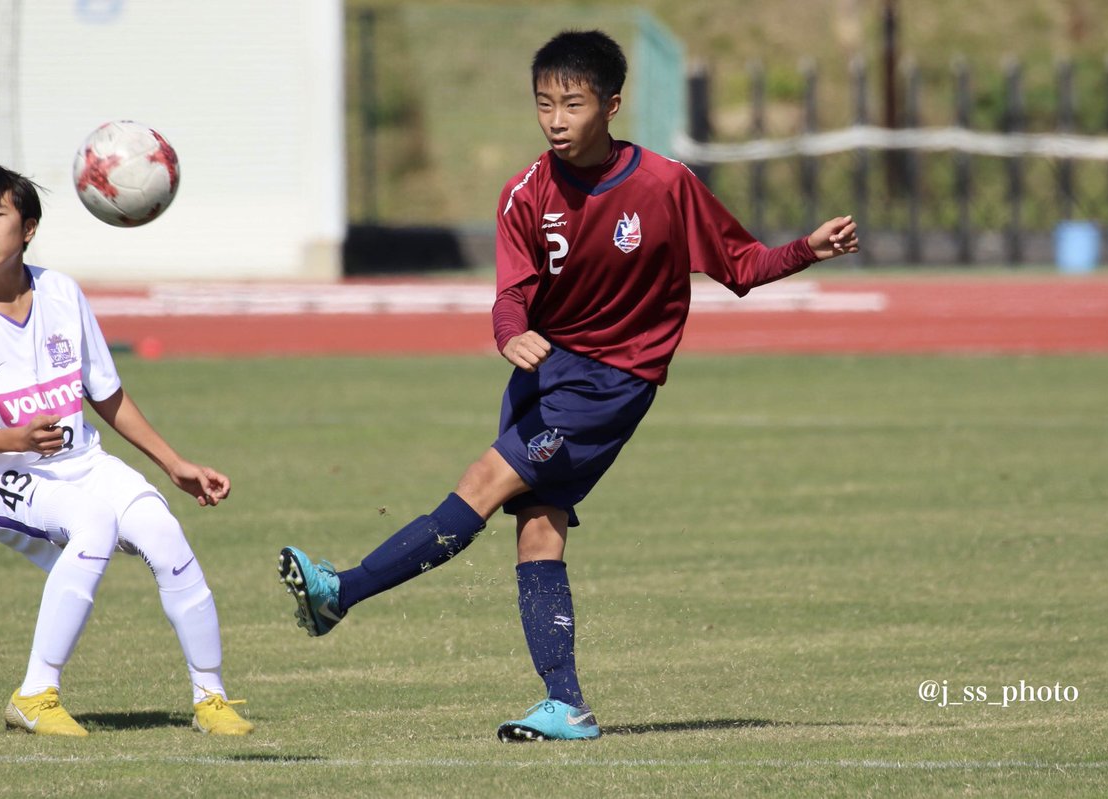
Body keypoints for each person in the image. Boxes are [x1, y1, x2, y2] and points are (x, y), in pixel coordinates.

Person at [278, 29, 858, 742]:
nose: (555, 119)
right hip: (540, 372)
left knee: (482, 486)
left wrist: (808, 248)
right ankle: (567, 704)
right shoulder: (525, 193)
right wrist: (508, 332)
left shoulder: (666, 185)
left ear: (610, 106)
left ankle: (344, 590)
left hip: (609, 383)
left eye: (572, 103)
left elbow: (741, 266)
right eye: (544, 103)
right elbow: (510, 293)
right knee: (538, 533)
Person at [0, 165, 253, 737]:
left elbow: (105, 393)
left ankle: (211, 698)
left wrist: (174, 464)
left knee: (162, 530)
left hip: (85, 464)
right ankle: (35, 695)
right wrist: (18, 439)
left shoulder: (62, 293)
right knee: (94, 523)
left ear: (27, 228)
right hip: (0, 477)